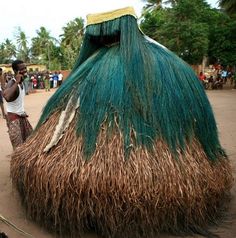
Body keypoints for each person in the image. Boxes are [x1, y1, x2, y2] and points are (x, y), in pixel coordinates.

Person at [3, 60, 33, 149]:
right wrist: (16, 82)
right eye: (22, 69)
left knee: (30, 143)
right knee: (18, 148)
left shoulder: (21, 82)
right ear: (16, 71)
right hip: (14, 121)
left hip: (22, 118)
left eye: (25, 68)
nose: (25, 70)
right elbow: (7, 97)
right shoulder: (12, 83)